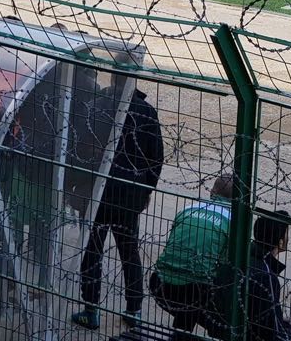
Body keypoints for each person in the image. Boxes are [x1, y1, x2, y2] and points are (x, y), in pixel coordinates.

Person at [75, 87, 165, 333]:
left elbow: (81, 146)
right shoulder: (145, 111)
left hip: (99, 191)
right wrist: (146, 190)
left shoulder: (99, 103)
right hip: (129, 192)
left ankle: (91, 309)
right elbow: (156, 157)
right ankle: (133, 309)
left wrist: (79, 184)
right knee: (129, 251)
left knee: (93, 249)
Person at [151, 174, 234, 336]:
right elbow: (227, 267)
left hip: (159, 282)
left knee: (192, 309)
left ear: (212, 192)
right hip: (194, 291)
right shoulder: (232, 221)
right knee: (214, 314)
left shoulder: (188, 209)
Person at [245, 211, 291, 341]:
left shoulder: (244, 257)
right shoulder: (267, 276)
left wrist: (279, 320)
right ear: (280, 242)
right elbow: (273, 333)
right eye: (287, 233)